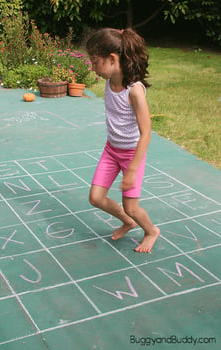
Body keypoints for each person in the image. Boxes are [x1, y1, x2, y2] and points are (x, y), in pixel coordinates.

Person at [86, 27, 160, 253]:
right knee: (96, 198)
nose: (93, 68)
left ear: (112, 58)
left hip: (131, 155)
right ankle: (128, 222)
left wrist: (131, 170)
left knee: (132, 207)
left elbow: (146, 133)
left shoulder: (134, 91)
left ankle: (151, 231)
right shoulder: (109, 82)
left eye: (95, 62)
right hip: (112, 150)